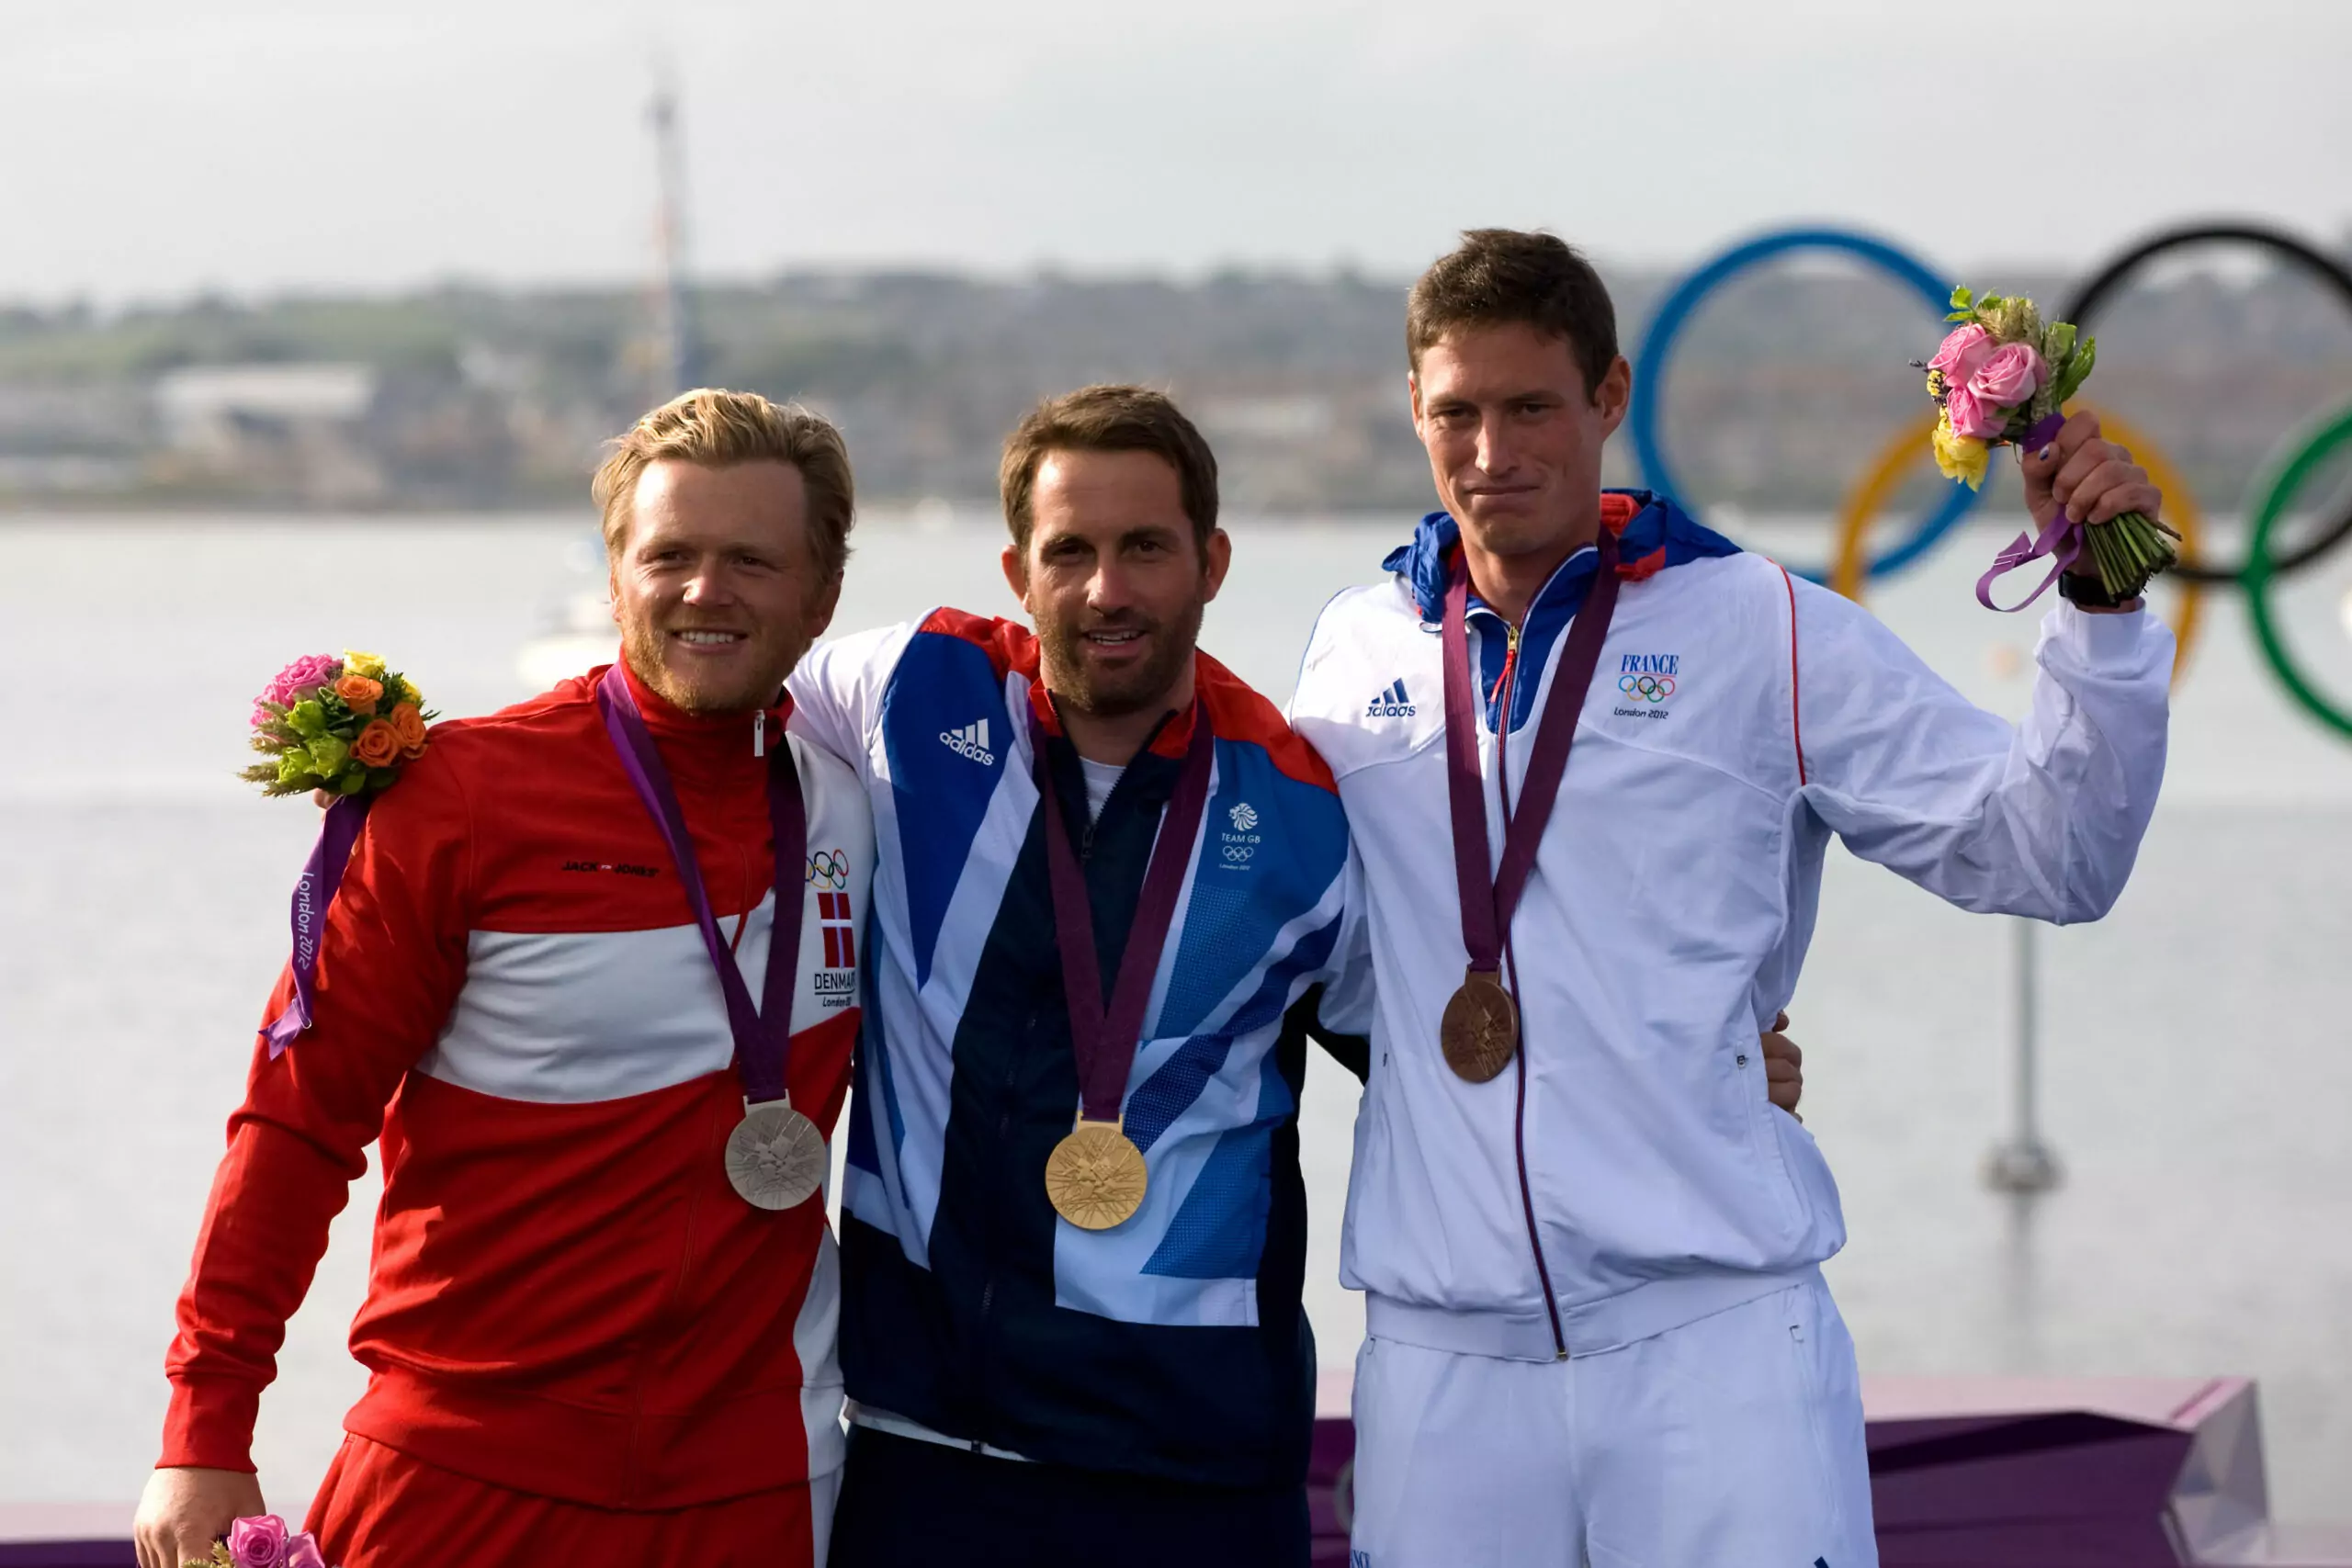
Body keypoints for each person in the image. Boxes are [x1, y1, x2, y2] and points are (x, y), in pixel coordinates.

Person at [786, 384, 1806, 1567]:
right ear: (1018, 572)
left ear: (1213, 562)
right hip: (923, 1457)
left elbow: (1463, 1054)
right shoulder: (908, 693)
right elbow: (693, 716)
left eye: (1146, 549)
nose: (1108, 590)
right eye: (1070, 552)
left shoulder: (1306, 809)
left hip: (1194, 1475)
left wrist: (1701, 1062)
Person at [1286, 229, 2175, 1566]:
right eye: (1456, 411)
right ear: (1413, 406)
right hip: (1440, 1356)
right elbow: (1332, 960)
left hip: (1711, 1345)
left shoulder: (1759, 626)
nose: (1491, 450)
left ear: (1608, 397)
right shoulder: (1351, 653)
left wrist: (2099, 612)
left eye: (1531, 406)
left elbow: (2051, 852)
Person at [133, 390, 874, 1568]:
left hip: (759, 1477)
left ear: (821, 594)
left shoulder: (858, 805)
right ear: (616, 573)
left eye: (751, 560)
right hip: (468, 1464)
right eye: (667, 555)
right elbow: (295, 1124)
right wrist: (204, 1425)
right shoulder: (457, 800)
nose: (703, 591)